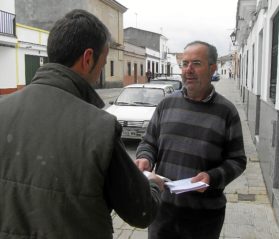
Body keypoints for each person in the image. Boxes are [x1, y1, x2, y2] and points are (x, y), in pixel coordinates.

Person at [0, 9, 164, 239]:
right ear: (88, 59)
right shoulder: (100, 127)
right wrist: (154, 186)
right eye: (104, 63)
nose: (100, 73)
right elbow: (141, 212)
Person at [135, 40, 247, 239]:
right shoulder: (166, 104)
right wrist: (145, 158)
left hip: (204, 217)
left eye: (196, 63)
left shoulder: (227, 111)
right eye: (184, 64)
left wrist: (212, 177)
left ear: (213, 68)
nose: (188, 70)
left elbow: (237, 160)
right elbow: (148, 142)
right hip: (163, 211)